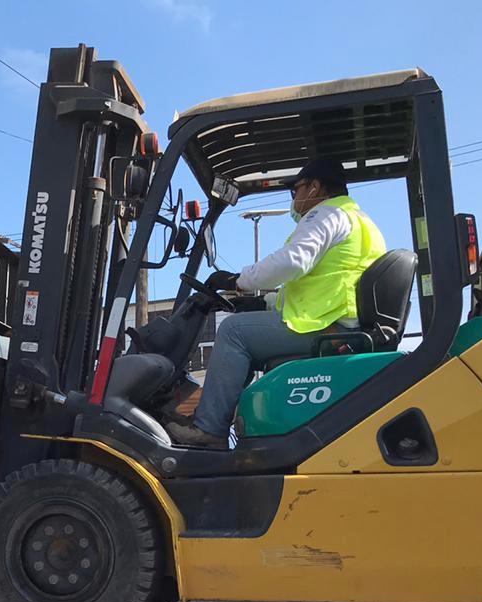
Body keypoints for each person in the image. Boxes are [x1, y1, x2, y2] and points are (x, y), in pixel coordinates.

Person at [165, 158, 386, 449]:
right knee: (242, 330)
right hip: (336, 319)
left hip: (326, 325)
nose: (294, 199)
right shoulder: (357, 219)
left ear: (315, 187)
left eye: (296, 190)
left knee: (233, 332)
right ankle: (213, 418)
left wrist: (237, 280)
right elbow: (316, 285)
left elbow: (294, 261)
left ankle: (209, 429)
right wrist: (262, 304)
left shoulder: (327, 213)